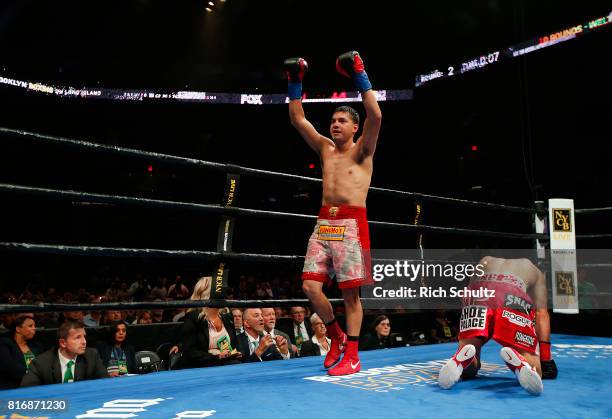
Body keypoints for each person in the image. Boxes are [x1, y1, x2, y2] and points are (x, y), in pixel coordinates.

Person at [285, 50, 382, 375]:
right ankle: (337, 337)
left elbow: (376, 115)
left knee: (351, 296)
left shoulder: (362, 151)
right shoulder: (325, 148)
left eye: (342, 121)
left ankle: (353, 356)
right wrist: (295, 82)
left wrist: (359, 73)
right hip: (324, 222)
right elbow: (298, 119)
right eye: (333, 121)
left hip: (352, 223)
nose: (335, 125)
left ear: (355, 127)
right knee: (310, 287)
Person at [438, 257, 558, 395]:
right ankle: (521, 363)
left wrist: (472, 337)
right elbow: (542, 314)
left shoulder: (485, 260)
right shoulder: (536, 271)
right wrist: (546, 359)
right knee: (536, 368)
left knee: (470, 354)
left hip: (478, 292)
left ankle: (461, 361)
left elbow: (468, 295)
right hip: (511, 293)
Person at [21, 319, 108, 386]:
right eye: (78, 337)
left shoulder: (92, 356)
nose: (84, 341)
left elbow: (106, 383)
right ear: (63, 343)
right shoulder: (41, 363)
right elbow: (27, 392)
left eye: (84, 337)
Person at [178, 277, 242, 368]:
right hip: (202, 367)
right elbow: (190, 352)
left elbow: (234, 344)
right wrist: (217, 356)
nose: (223, 292)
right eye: (220, 289)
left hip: (226, 364)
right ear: (208, 293)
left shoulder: (226, 316)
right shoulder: (193, 318)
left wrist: (235, 353)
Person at [0, 314, 43, 389]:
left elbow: (43, 364)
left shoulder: (36, 346)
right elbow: (9, 367)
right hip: (13, 387)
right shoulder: (5, 344)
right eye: (30, 326)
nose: (34, 328)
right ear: (18, 329)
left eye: (34, 326)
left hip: (36, 385)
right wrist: (32, 375)